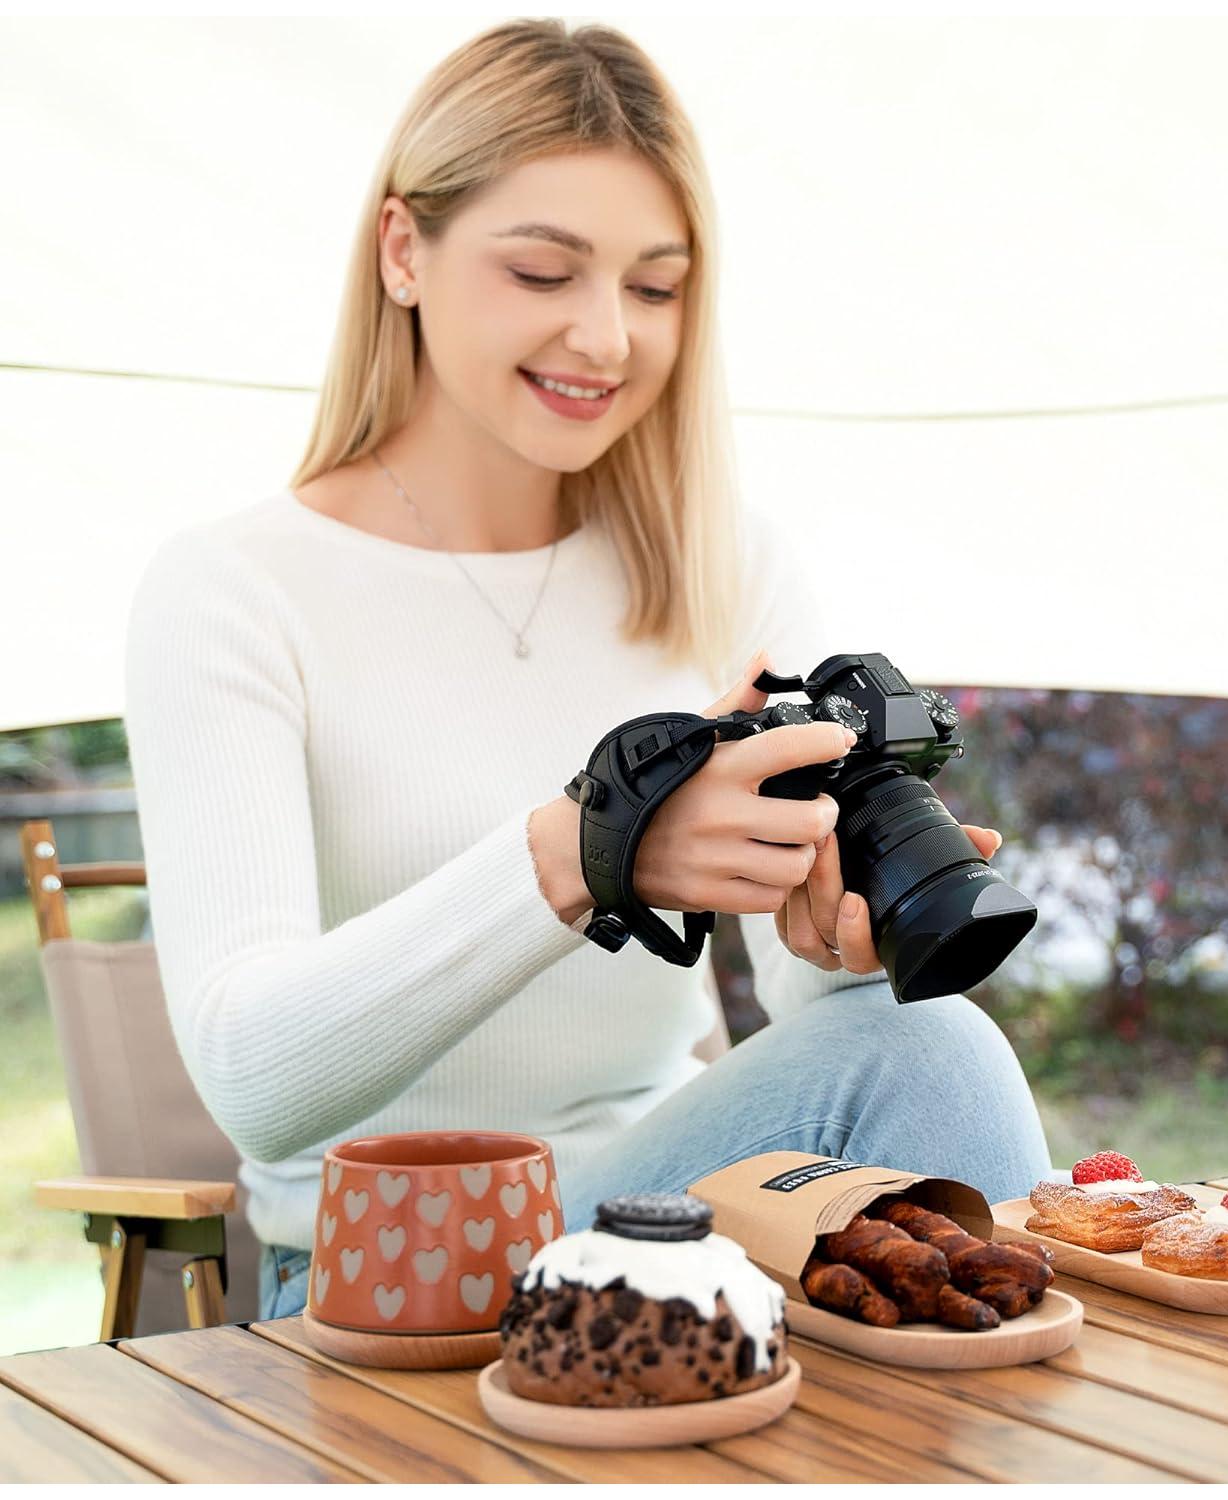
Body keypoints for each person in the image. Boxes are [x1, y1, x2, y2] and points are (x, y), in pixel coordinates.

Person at [123, 20, 1051, 1323]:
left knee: (925, 1037)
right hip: (382, 1260)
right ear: (405, 250)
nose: (607, 338)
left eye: (656, 288)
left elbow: (816, 1008)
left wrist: (841, 936)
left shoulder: (725, 565)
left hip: (671, 1212)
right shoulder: (236, 590)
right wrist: (583, 853)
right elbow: (253, 1082)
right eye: (545, 271)